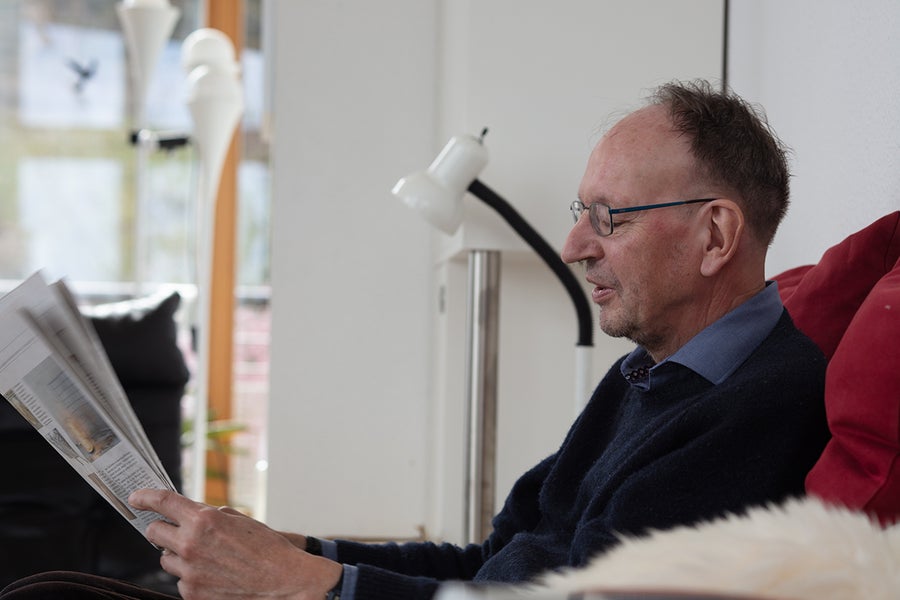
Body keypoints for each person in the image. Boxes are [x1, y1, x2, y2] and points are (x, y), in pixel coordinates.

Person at [0, 79, 830, 600]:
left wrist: (312, 586)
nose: (576, 245)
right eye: (579, 215)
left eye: (606, 217)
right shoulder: (648, 377)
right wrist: (294, 550)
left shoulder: (759, 408)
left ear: (716, 235)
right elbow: (501, 559)